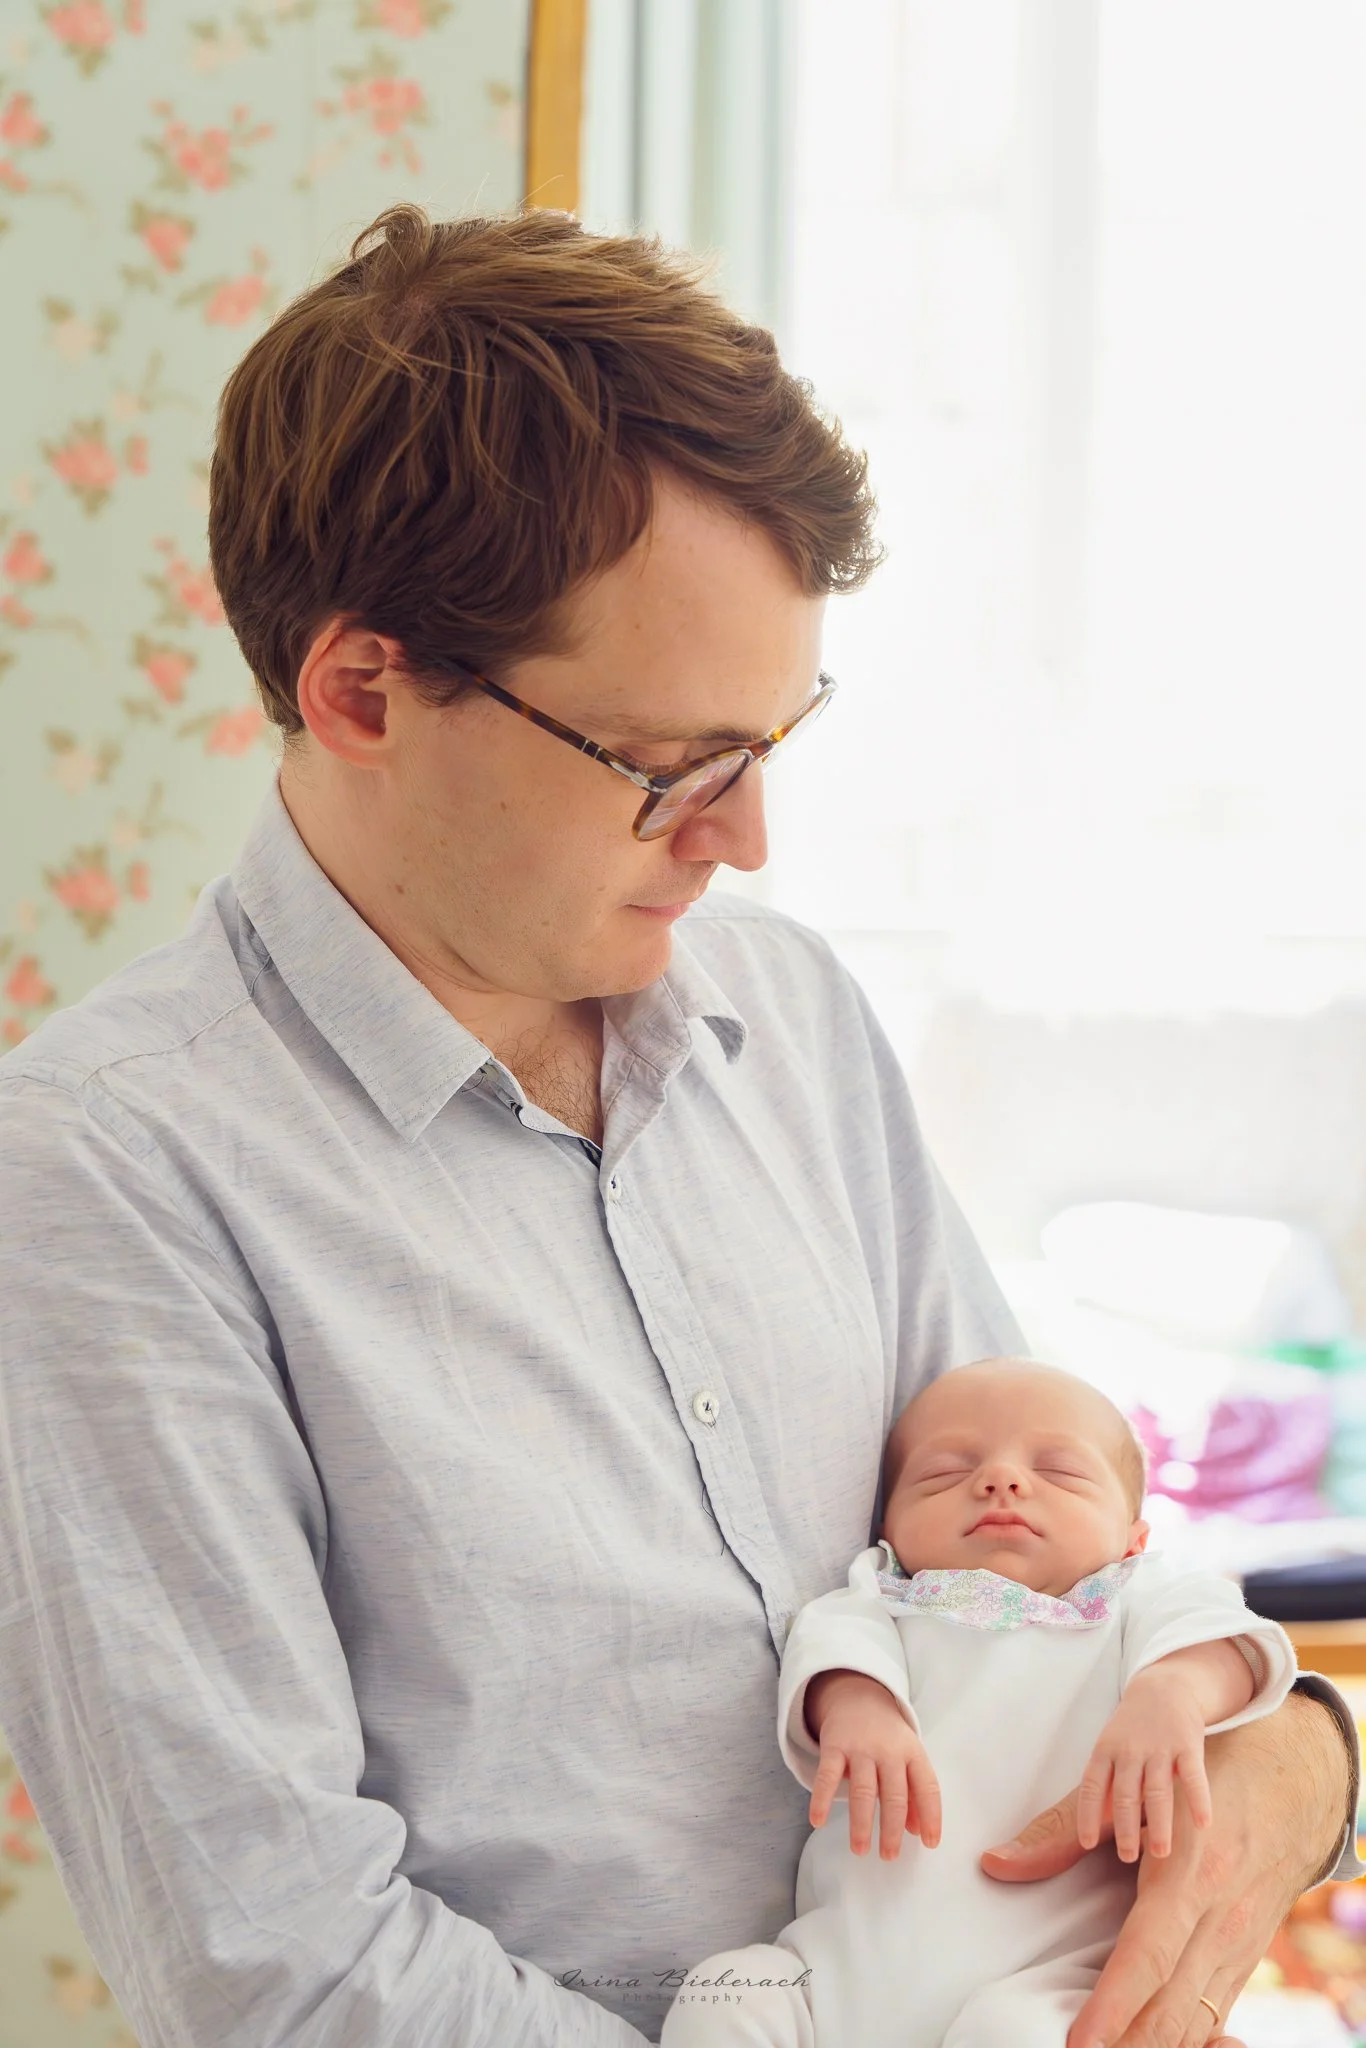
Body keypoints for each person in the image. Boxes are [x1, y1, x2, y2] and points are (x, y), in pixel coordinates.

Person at [0, 204, 1357, 2048]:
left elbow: (1067, 1538)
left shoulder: (786, 1018)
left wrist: (1295, 1753)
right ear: (361, 688)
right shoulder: (105, 1174)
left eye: (768, 743)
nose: (743, 840)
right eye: (666, 767)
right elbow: (276, 1967)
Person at [659, 1359, 1298, 2048]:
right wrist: (858, 1702)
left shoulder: (1134, 1600)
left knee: (1015, 2034)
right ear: (891, 1528)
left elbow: (1232, 1641)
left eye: (1059, 1471)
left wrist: (1173, 1692)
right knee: (722, 1995)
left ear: (1133, 1538)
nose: (1001, 1480)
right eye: (942, 1474)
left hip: (1045, 1983)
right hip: (828, 1981)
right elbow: (831, 1644)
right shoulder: (882, 1597)